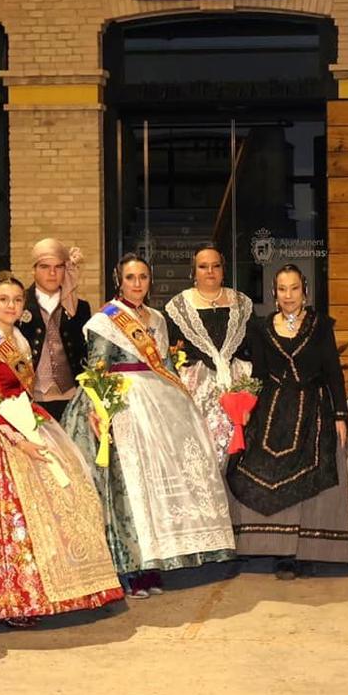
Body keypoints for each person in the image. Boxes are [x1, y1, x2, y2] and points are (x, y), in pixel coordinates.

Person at [0, 270, 123, 624]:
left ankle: (75, 583)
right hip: (0, 431)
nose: (10, 305)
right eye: (4, 300)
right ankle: (14, 598)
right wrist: (21, 441)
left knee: (64, 496)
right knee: (8, 517)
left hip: (30, 417)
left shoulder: (20, 340)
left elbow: (25, 389)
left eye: (16, 300)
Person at [63, 252, 236, 595]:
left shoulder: (156, 317)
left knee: (161, 486)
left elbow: (167, 364)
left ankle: (156, 561)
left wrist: (185, 404)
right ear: (119, 280)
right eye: (130, 278)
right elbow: (97, 368)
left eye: (143, 277)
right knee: (132, 488)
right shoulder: (107, 319)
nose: (137, 284)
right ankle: (131, 568)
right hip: (123, 403)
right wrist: (101, 410)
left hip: (159, 402)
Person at [225, 264, 348, 577]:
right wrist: (246, 407)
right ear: (274, 293)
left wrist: (340, 414)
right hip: (272, 407)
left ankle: (306, 550)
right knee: (256, 465)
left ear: (304, 291)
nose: (288, 295)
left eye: (294, 288)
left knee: (310, 468)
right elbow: (257, 373)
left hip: (313, 405)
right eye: (282, 289)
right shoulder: (261, 327)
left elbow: (333, 372)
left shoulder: (321, 325)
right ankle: (273, 548)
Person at [165, 244, 256, 460]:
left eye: (215, 266)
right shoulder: (178, 306)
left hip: (237, 384)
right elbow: (167, 351)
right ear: (193, 272)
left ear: (223, 270)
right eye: (203, 266)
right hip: (196, 387)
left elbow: (254, 346)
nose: (210, 271)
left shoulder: (242, 303)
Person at [17, 237, 90, 423]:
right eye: (44, 267)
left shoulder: (79, 308)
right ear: (33, 270)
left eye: (58, 267)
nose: (52, 273)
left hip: (72, 397)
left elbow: (86, 353)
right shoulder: (18, 304)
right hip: (31, 398)